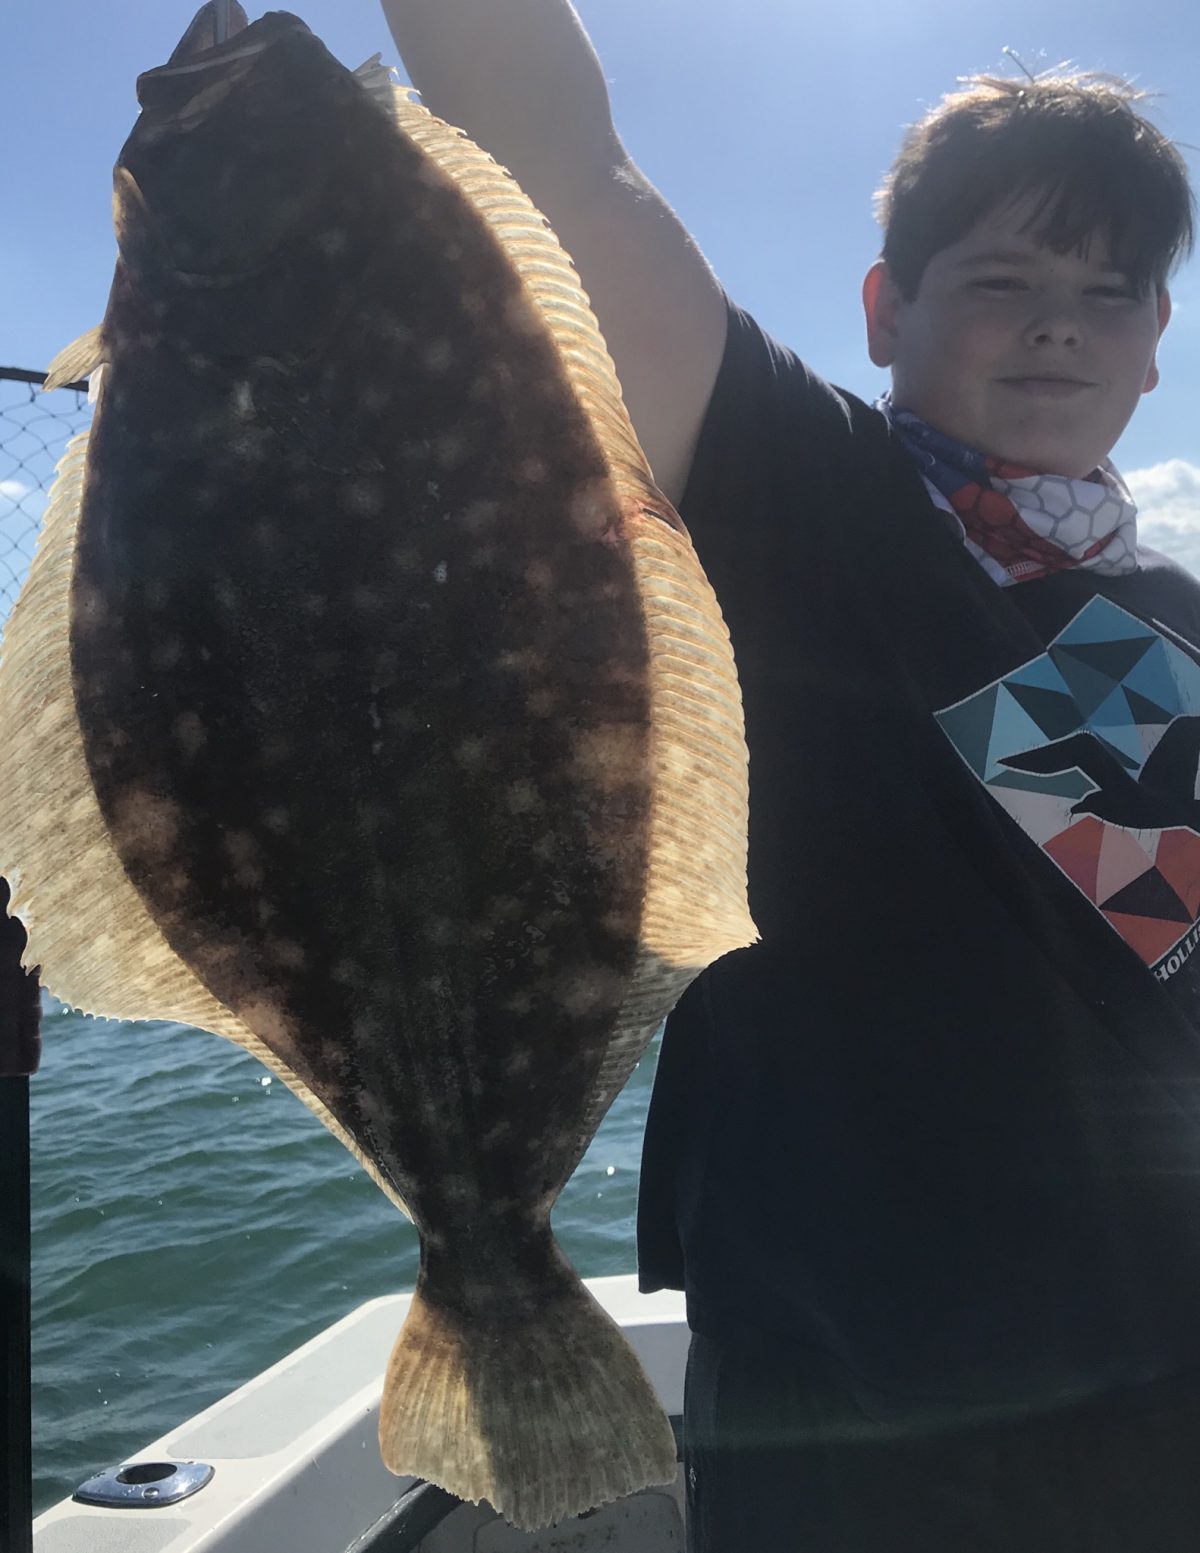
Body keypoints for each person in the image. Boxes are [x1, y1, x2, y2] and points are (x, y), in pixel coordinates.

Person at [380, 5, 1200, 1548]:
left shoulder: (1174, 617)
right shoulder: (791, 489)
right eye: (1003, 282)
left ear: (1160, 344)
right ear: (885, 309)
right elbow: (563, 153)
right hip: (852, 1401)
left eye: (1108, 292)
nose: (1058, 327)